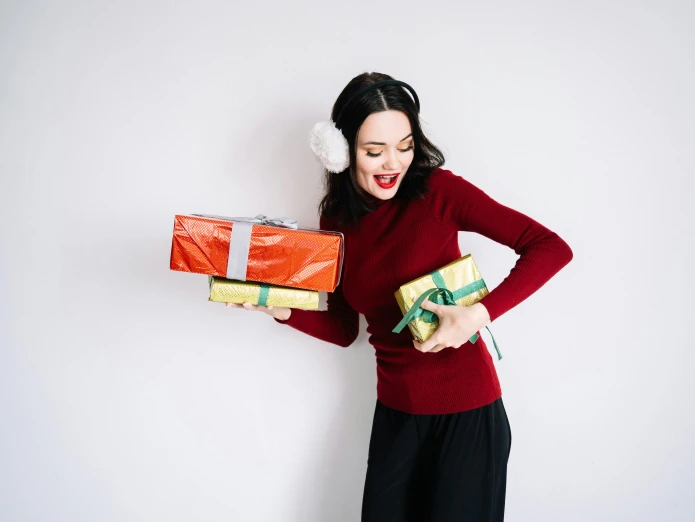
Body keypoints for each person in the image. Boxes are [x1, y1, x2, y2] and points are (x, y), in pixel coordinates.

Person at [224, 72, 573, 522]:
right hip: (395, 417)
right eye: (374, 151)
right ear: (340, 150)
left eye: (404, 146)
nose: (393, 163)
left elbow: (550, 247)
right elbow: (345, 326)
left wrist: (477, 316)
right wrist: (278, 307)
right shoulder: (336, 219)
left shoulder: (439, 193)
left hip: (466, 415)